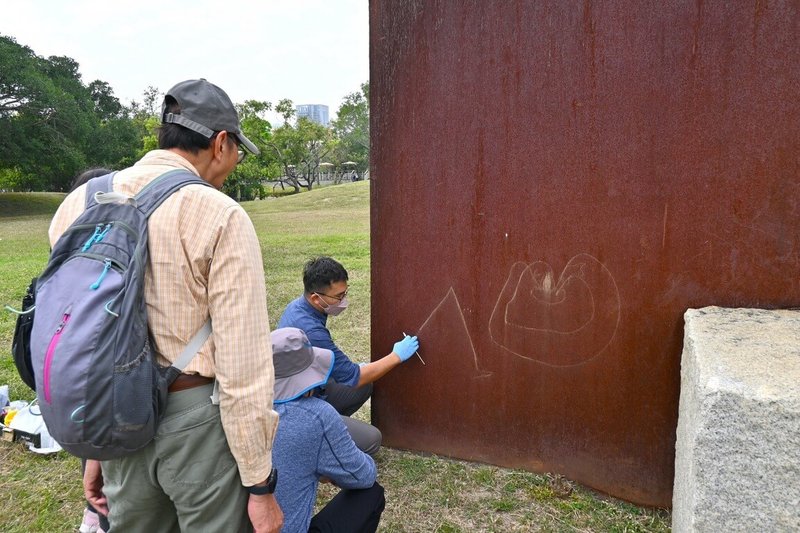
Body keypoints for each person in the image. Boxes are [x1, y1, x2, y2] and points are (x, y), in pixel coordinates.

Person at [49, 79, 283, 532]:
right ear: (220, 143)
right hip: (194, 418)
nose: (234, 163)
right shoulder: (220, 214)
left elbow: (77, 330)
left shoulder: (79, 202)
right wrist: (260, 486)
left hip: (116, 412)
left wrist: (97, 445)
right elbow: (245, 368)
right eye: (237, 151)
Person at [277, 256, 420, 454]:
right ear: (316, 298)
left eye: (345, 293)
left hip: (309, 390)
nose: (343, 300)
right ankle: (315, 440)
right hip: (297, 408)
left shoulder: (300, 307)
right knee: (371, 440)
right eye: (338, 296)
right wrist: (397, 356)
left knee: (366, 385)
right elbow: (355, 377)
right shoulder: (311, 330)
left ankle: (328, 427)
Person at [270, 327, 385, 533]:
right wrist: (324, 465)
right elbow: (364, 475)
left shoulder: (238, 407)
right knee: (371, 494)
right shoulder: (317, 415)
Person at [67, 168, 113, 533]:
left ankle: (93, 515)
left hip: (72, 398)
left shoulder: (62, 259)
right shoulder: (106, 266)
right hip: (102, 399)